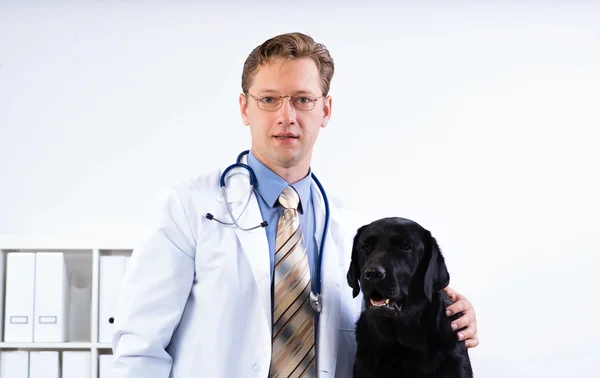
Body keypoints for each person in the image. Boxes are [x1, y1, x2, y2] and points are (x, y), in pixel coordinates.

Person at [111, 32, 479, 378]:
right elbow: (139, 347)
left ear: (326, 110)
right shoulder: (187, 208)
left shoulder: (350, 230)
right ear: (244, 108)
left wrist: (447, 319)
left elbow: (382, 334)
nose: (286, 116)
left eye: (303, 100)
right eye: (269, 99)